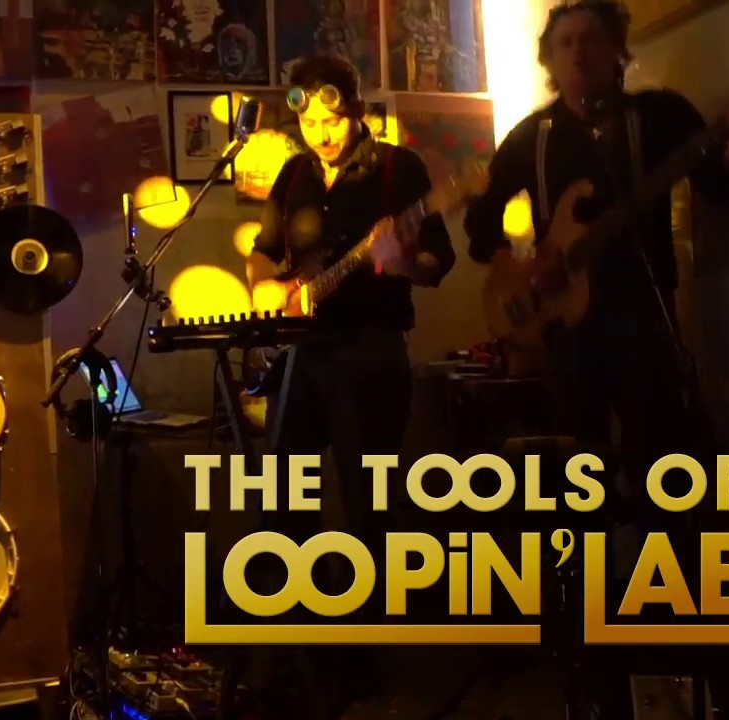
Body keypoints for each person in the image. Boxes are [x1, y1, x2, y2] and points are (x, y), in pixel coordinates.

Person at [462, 2, 729, 718]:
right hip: (570, 343)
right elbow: (481, 228)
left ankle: (666, 654)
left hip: (646, 325)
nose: (579, 52)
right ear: (550, 60)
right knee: (575, 491)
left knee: (664, 484)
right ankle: (593, 664)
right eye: (565, 42)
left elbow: (727, 187)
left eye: (592, 39)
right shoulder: (532, 138)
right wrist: (529, 266)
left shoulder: (660, 116)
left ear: (618, 49)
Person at [241, 53, 455, 717]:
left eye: (332, 122)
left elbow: (437, 263)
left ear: (357, 110)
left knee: (368, 509)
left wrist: (399, 261)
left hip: (369, 351)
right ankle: (305, 654)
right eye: (311, 125)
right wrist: (269, 287)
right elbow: (263, 252)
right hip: (303, 355)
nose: (323, 135)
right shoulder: (295, 173)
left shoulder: (398, 169)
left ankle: (365, 662)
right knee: (284, 500)